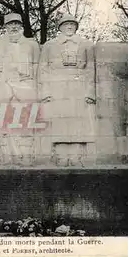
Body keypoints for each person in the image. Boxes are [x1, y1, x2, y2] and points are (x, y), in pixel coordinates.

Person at [38, 13, 96, 166]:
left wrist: (90, 92)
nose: (69, 27)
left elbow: (91, 69)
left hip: (79, 87)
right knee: (59, 121)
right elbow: (43, 69)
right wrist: (45, 92)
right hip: (57, 88)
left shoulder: (86, 45)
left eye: (72, 24)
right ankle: (61, 155)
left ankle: (76, 155)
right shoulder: (49, 45)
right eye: (66, 24)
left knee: (78, 122)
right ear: (60, 27)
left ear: (76, 27)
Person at [0, 13, 40, 166]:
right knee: (4, 123)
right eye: (10, 24)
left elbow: (37, 68)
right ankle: (6, 156)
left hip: (24, 87)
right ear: (6, 27)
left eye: (17, 23)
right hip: (3, 87)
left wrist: (34, 86)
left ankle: (25, 156)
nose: (14, 27)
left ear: (21, 25)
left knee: (24, 122)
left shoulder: (32, 45)